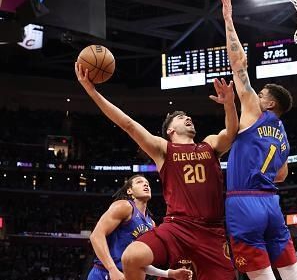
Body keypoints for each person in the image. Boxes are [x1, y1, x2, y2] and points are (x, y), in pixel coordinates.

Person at [75, 63, 238, 280]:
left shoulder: (210, 144)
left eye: (188, 117)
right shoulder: (163, 149)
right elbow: (128, 124)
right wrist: (92, 91)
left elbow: (231, 133)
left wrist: (229, 105)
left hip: (212, 231)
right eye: (181, 118)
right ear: (170, 130)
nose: (188, 118)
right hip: (177, 227)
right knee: (132, 256)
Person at [220, 0, 297, 280]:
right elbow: (281, 176)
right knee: (293, 274)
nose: (257, 93)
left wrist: (229, 21)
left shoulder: (255, 111)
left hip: (244, 202)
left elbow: (239, 66)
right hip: (271, 204)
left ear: (268, 103)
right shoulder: (283, 136)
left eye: (262, 93)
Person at [87, 174, 192, 280]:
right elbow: (96, 235)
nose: (145, 184)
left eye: (147, 184)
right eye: (139, 182)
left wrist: (169, 274)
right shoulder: (124, 206)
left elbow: (141, 263)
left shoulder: (151, 223)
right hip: (104, 273)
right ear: (129, 191)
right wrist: (112, 269)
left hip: (127, 275)